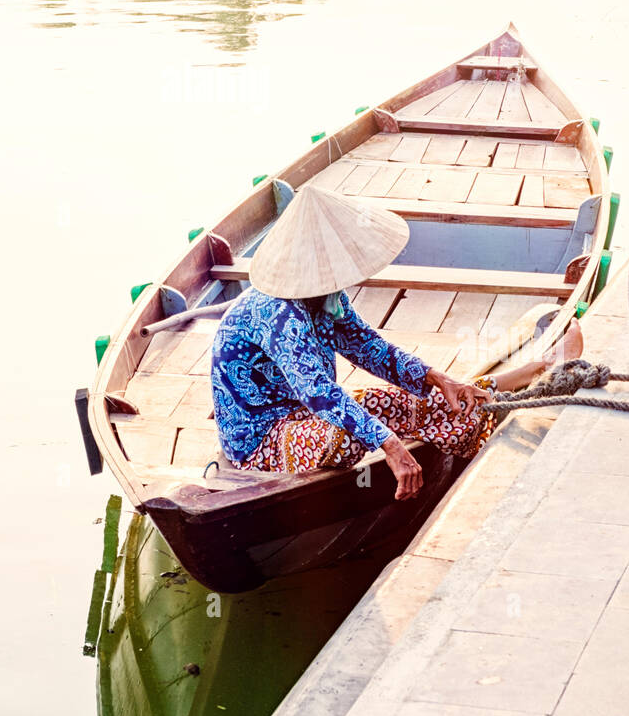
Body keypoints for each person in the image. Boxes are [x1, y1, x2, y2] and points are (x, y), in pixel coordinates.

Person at [211, 184, 582, 498]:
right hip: (264, 437)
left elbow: (371, 349)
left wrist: (441, 379)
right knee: (350, 437)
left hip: (305, 413)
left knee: (421, 402)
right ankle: (517, 381)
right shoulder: (279, 312)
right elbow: (318, 393)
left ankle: (523, 376)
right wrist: (390, 446)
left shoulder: (325, 297)